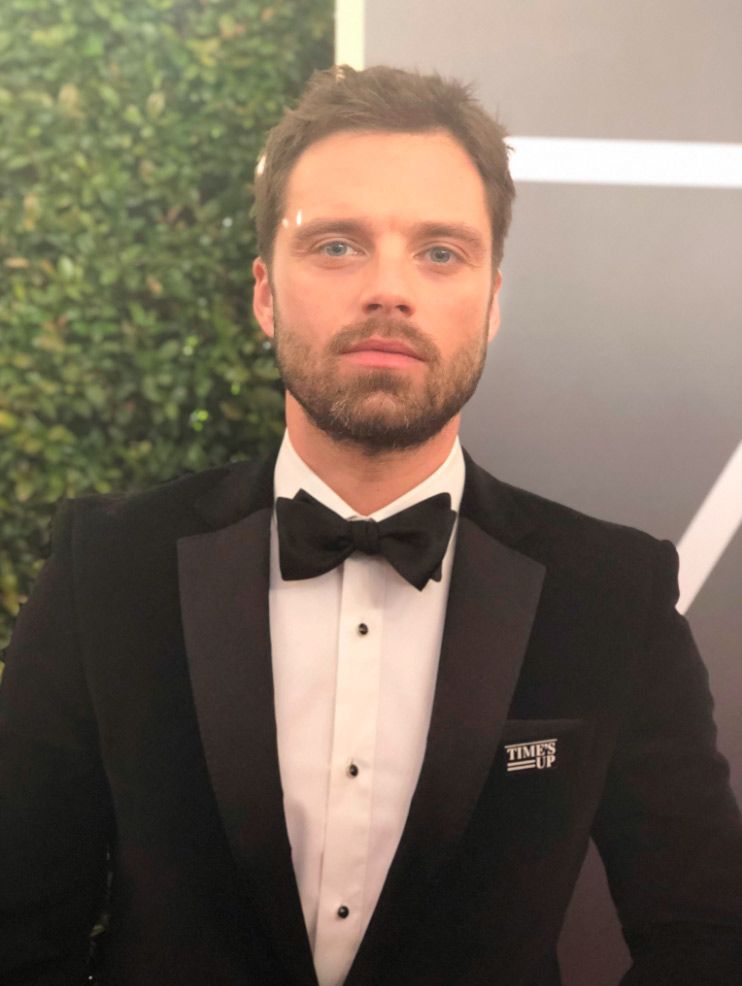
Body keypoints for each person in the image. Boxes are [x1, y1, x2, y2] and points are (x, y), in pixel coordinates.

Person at [1, 64, 741, 986]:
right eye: (338, 245)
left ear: (492, 302)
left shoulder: (611, 592)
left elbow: (708, 933)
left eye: (441, 252)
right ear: (265, 294)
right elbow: (18, 926)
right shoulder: (109, 568)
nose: (390, 289)